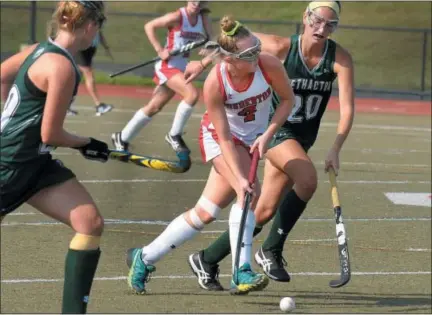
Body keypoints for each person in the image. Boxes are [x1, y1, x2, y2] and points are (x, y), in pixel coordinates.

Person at [184, 0, 355, 290]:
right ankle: (271, 250)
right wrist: (201, 62)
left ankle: (207, 258)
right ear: (305, 17)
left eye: (330, 24)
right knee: (308, 179)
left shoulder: (339, 58)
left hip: (302, 138)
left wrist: (336, 147)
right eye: (316, 20)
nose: (321, 28)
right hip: (274, 130)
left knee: (262, 212)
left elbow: (348, 109)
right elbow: (231, 43)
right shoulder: (279, 47)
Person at [125, 15, 294, 295]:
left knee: (205, 213)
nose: (256, 55)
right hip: (220, 138)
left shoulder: (268, 65)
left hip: (252, 139)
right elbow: (225, 136)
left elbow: (288, 100)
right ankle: (241, 272)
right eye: (249, 53)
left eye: (256, 48)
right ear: (229, 59)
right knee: (249, 193)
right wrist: (239, 178)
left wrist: (268, 134)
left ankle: (144, 257)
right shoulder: (216, 83)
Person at [0, 1, 111, 313]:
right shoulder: (61, 67)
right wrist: (87, 142)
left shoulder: (40, 49)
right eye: (99, 28)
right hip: (9, 165)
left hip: (36, 165)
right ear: (91, 26)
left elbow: (2, 76)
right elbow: (51, 134)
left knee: (89, 222)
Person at [111, 0, 212, 154]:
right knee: (192, 94)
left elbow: (211, 40)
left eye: (201, 1)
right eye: (194, 0)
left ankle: (122, 138)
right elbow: (149, 26)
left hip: (182, 67)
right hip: (168, 66)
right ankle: (174, 136)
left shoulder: (203, 18)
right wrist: (160, 50)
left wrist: (208, 48)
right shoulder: (177, 16)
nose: (197, 3)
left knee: (154, 107)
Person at [72, 30, 114, 116]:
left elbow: (99, 31)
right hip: (82, 48)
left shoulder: (97, 19)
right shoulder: (86, 18)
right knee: (88, 74)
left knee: (76, 77)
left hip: (90, 49)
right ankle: (99, 105)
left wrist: (106, 47)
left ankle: (65, 106)